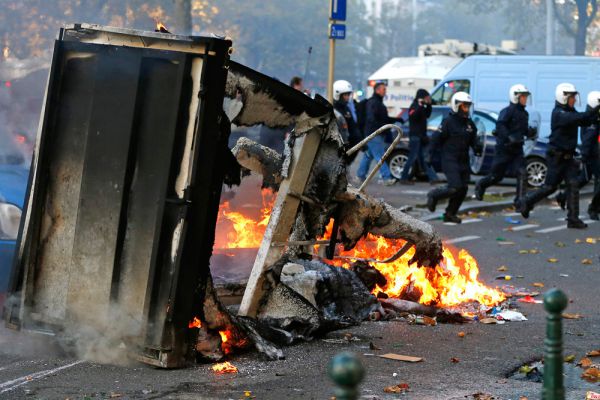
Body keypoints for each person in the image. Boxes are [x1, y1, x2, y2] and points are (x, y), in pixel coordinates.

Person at [516, 83, 600, 228]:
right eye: (571, 97)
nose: (574, 100)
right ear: (563, 97)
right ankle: (526, 201)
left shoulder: (570, 111)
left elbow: (585, 120)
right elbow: (580, 118)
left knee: (573, 185)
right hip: (557, 157)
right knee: (549, 187)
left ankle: (573, 219)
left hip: (568, 157)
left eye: (574, 97)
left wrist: (595, 115)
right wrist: (595, 109)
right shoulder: (559, 113)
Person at [426, 92, 482, 223]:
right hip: (449, 159)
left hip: (464, 160)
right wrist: (429, 155)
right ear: (457, 106)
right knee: (455, 186)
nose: (467, 109)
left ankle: (450, 213)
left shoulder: (470, 124)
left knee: (463, 189)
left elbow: (474, 141)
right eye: (464, 106)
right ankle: (434, 195)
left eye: (468, 106)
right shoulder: (448, 122)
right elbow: (435, 139)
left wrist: (477, 147)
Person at [475, 84, 535, 205]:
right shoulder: (507, 111)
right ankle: (481, 184)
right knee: (496, 176)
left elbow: (522, 130)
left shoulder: (525, 114)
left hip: (517, 149)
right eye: (523, 97)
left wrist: (529, 132)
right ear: (515, 97)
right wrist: (509, 137)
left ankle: (520, 201)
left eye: (526, 97)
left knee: (522, 173)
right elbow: (500, 125)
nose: (525, 99)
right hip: (504, 149)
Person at [554, 91, 600, 220]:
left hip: (594, 155)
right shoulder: (591, 119)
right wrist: (584, 156)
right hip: (591, 156)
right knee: (584, 180)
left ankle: (564, 197)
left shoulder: (592, 116)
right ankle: (593, 209)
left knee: (584, 180)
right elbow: (588, 139)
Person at [356, 82, 403, 186]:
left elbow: (382, 119)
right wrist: (382, 127)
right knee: (380, 156)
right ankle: (387, 177)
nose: (385, 91)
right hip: (375, 133)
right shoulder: (374, 103)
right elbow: (372, 118)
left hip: (374, 132)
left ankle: (360, 175)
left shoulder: (377, 102)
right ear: (377, 90)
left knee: (369, 155)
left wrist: (395, 120)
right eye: (383, 89)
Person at [399, 89, 440, 185]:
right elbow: (413, 116)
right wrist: (421, 105)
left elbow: (428, 114)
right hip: (415, 137)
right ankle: (404, 178)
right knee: (412, 158)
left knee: (424, 158)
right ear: (421, 98)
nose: (427, 99)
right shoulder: (414, 106)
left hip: (422, 137)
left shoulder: (422, 107)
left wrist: (429, 105)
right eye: (426, 97)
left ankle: (433, 178)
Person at [333, 80, 362, 164]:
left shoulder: (347, 108)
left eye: (348, 94)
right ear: (338, 95)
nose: (347, 97)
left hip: (348, 142)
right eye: (345, 95)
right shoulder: (333, 109)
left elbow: (353, 126)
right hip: (337, 144)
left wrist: (359, 139)